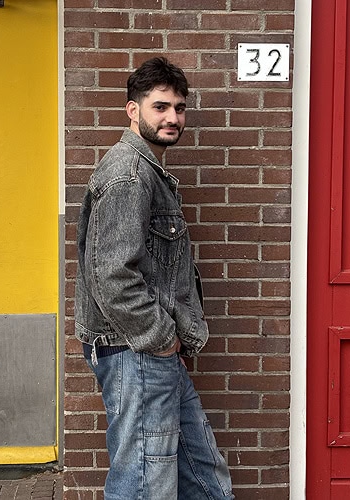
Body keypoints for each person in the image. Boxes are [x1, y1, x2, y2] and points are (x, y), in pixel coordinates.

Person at [75, 57, 234, 500]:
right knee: (145, 484)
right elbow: (112, 275)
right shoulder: (129, 175)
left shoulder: (149, 173)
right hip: (137, 349)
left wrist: (169, 342)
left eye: (179, 108)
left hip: (153, 350)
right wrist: (161, 338)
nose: (172, 118)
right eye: (160, 107)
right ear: (133, 110)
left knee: (204, 477)